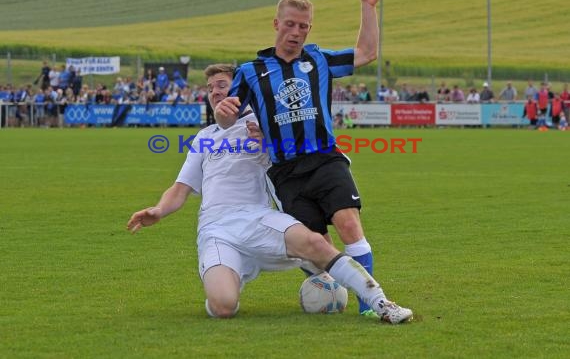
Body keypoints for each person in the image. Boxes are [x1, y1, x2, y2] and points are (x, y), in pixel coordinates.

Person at [127, 64, 412, 323]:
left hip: (259, 218)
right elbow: (180, 190)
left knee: (317, 244)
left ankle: (381, 303)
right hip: (216, 228)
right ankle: (230, 273)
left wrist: (270, 141)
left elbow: (301, 158)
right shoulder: (204, 137)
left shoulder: (268, 125)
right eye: (210, 87)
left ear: (240, 88)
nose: (215, 92)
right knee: (224, 306)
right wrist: (158, 210)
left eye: (222, 85)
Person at [214, 0, 399, 317]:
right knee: (315, 251)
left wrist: (368, 5)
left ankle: (369, 306)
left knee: (349, 224)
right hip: (286, 172)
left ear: (309, 29)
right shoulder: (251, 71)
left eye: (303, 26)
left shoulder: (319, 60)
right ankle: (327, 284)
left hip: (325, 159)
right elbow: (228, 118)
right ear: (276, 23)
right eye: (290, 24)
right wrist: (222, 111)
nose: (296, 32)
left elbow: (367, 52)